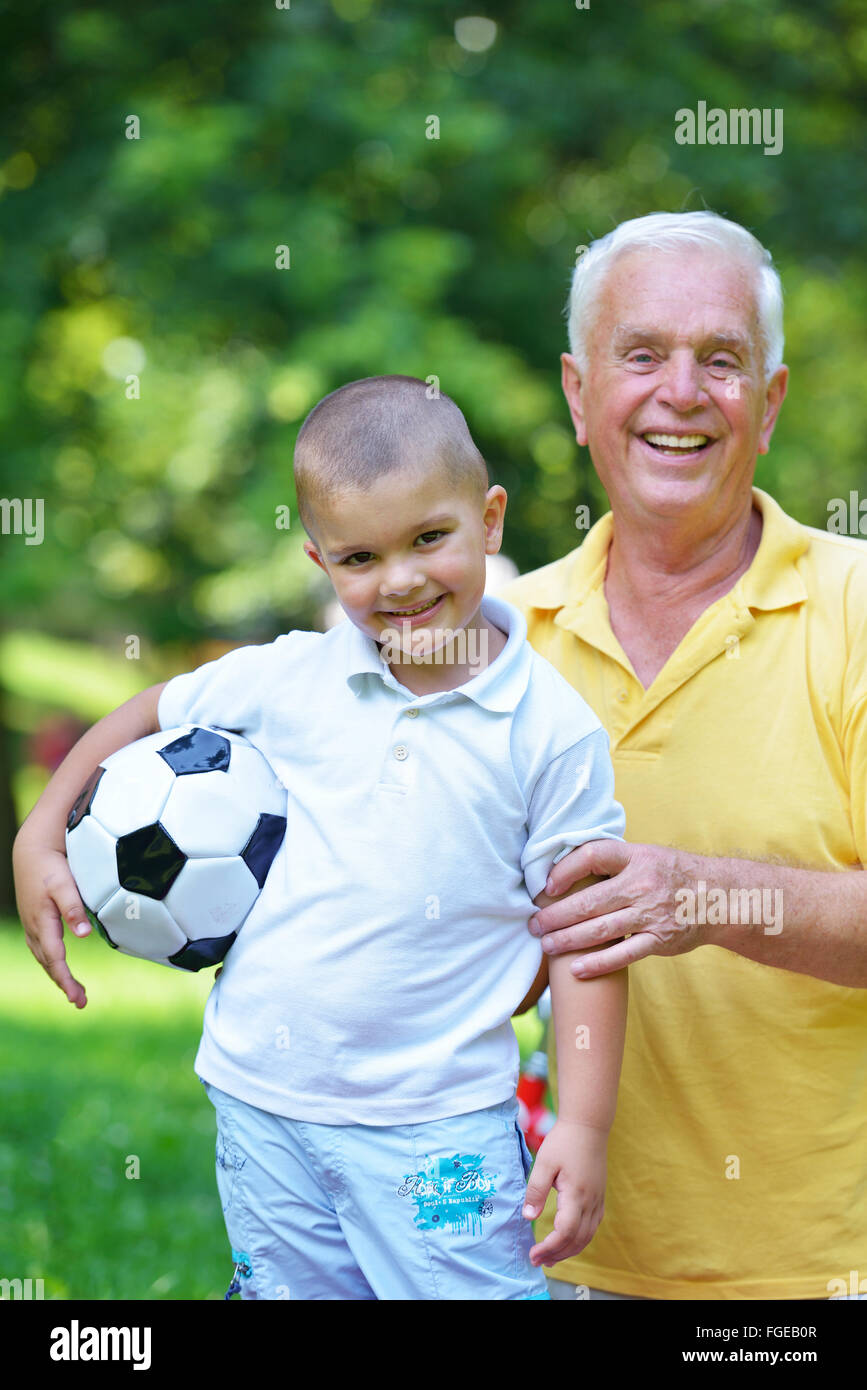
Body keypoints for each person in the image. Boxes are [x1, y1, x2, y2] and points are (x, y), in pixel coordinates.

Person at [13, 374, 627, 1301]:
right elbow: (148, 708)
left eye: (430, 538)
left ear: (490, 520)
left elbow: (587, 943)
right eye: (359, 557)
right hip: (264, 1102)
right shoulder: (287, 678)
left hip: (438, 1127)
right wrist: (38, 835)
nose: (402, 580)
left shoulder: (549, 732)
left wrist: (580, 1127)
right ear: (320, 561)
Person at [500, 211, 867, 1301]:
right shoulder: (496, 647)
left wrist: (706, 896)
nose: (681, 391)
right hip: (566, 1265)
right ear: (578, 394)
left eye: (721, 359)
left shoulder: (858, 609)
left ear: (770, 402)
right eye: (642, 353)